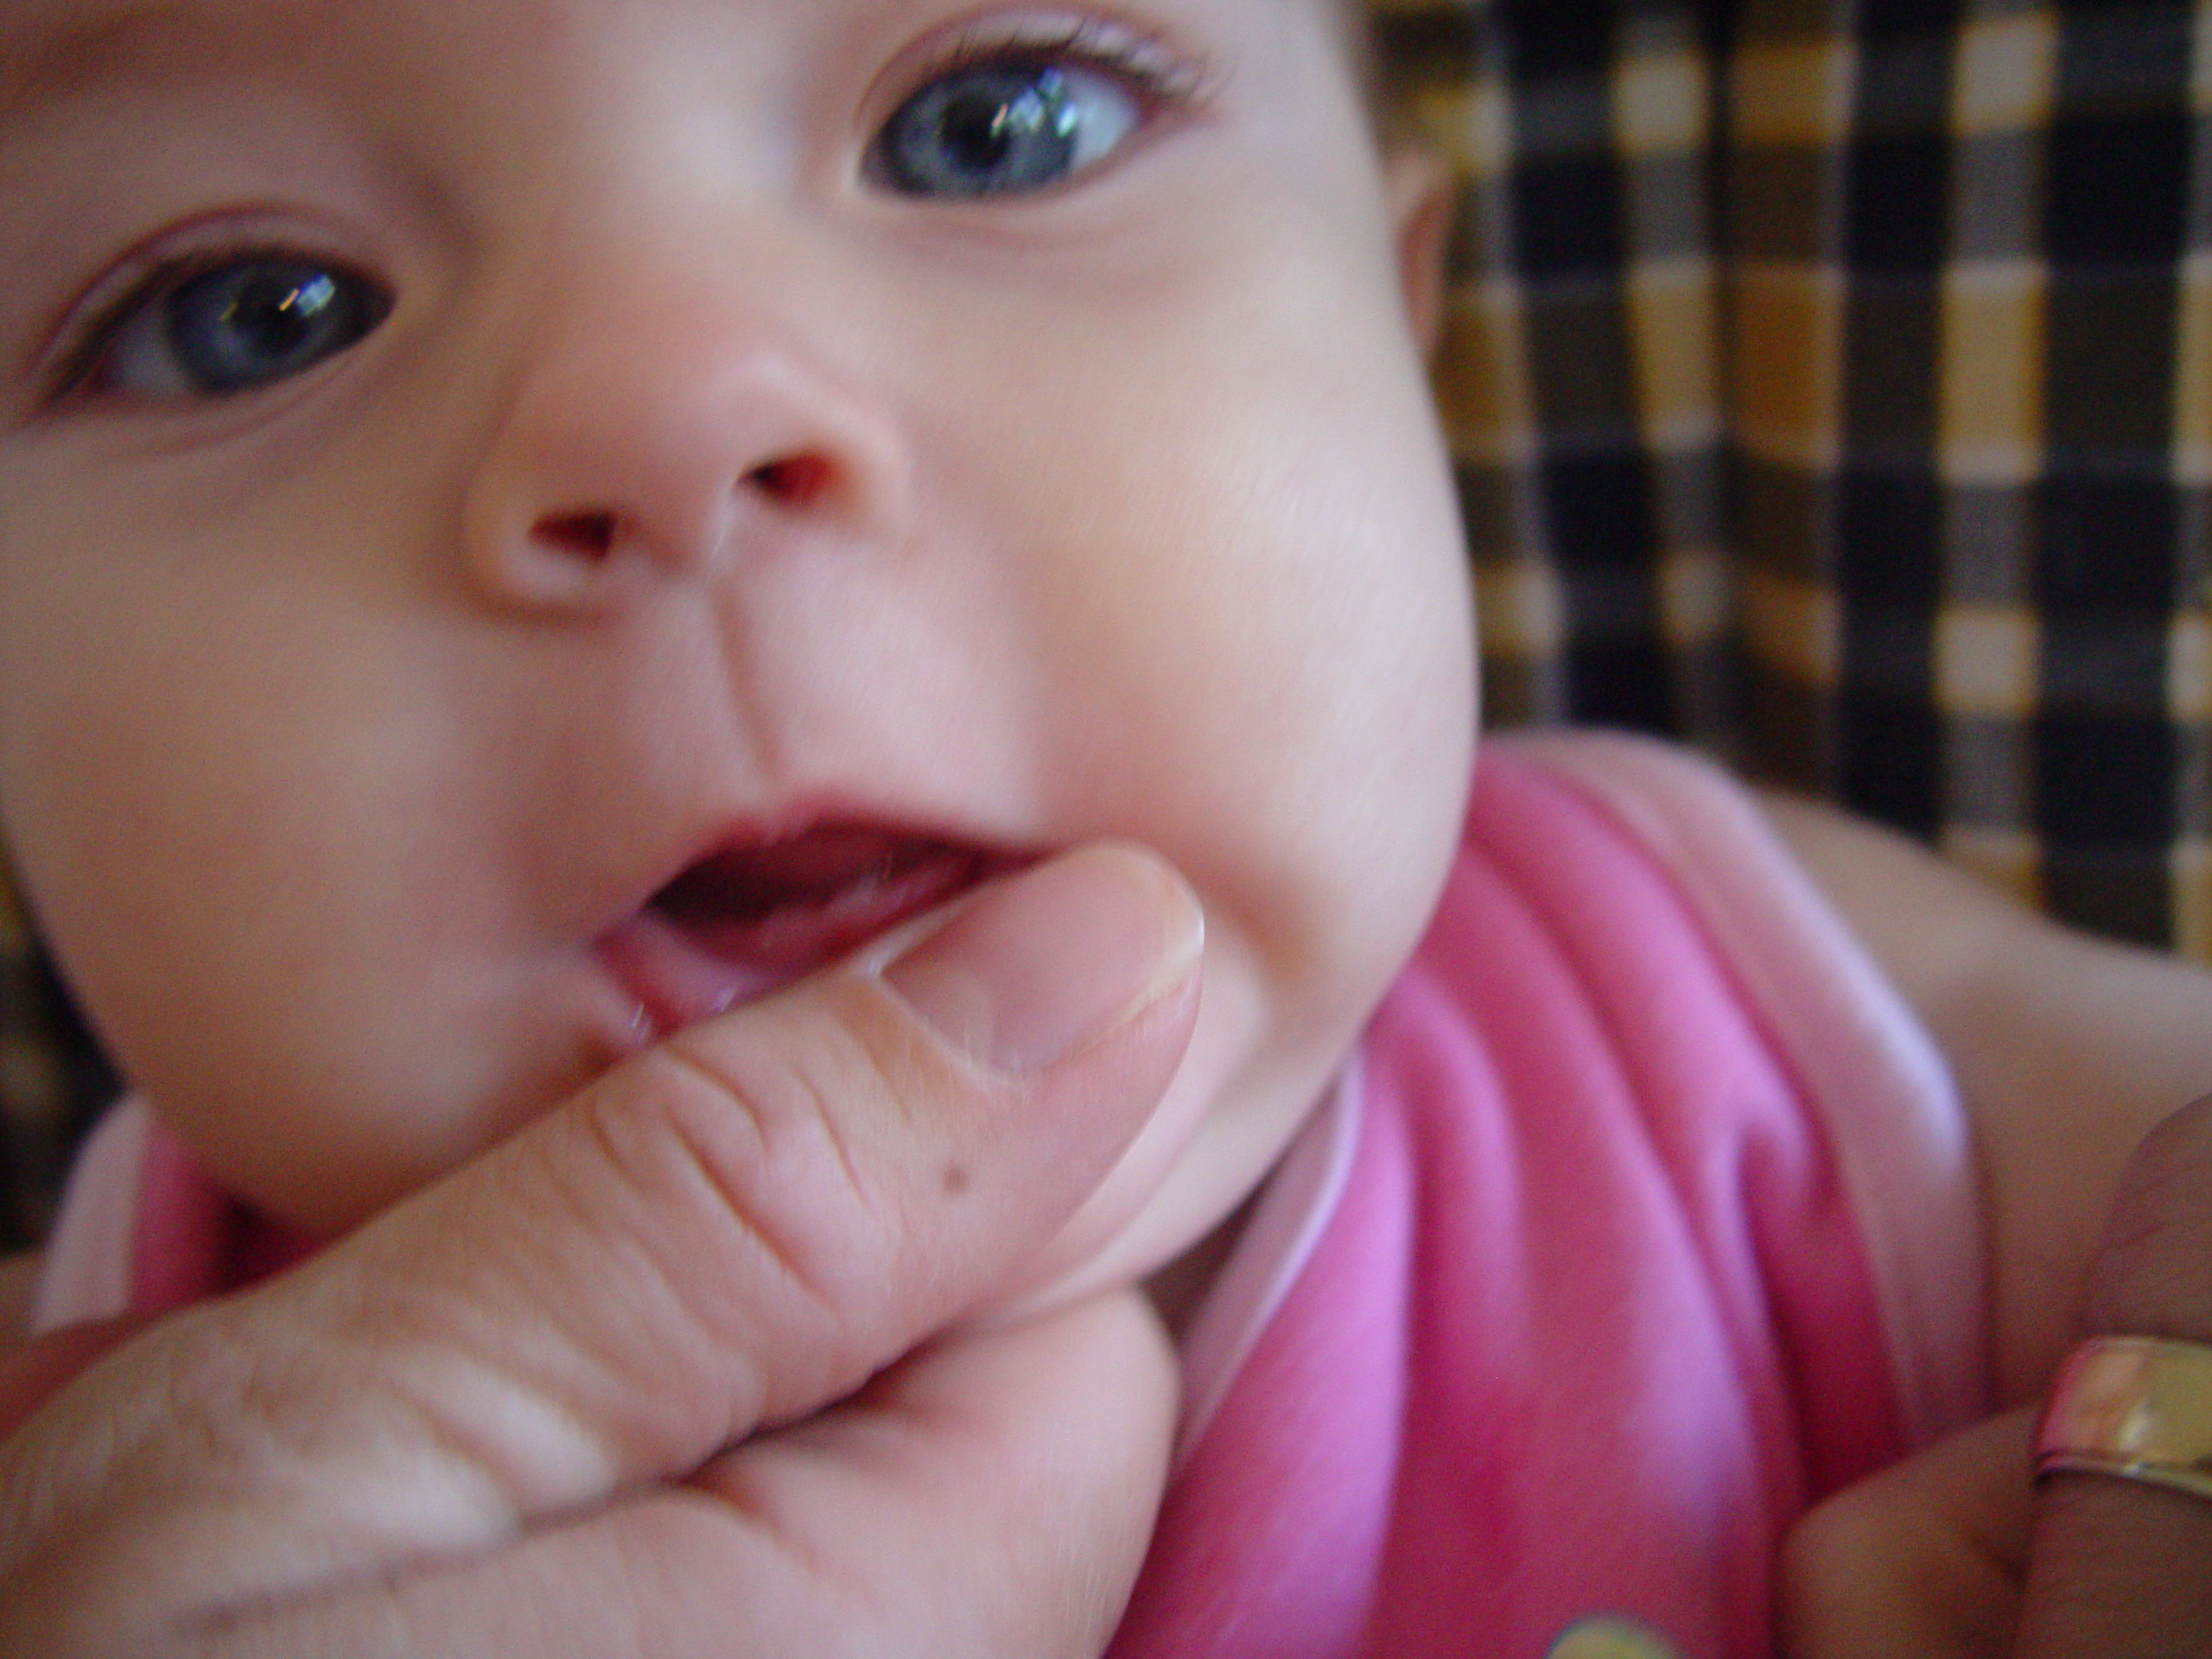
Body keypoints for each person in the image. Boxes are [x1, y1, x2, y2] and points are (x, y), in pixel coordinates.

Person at [0, 1, 2207, 1655]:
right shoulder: (88, 1469)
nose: (671, 416)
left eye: (990, 130)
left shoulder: (1726, 999)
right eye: (247, 318)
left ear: (1396, 309)